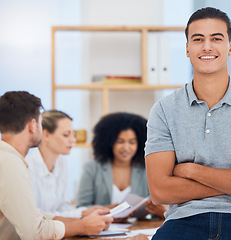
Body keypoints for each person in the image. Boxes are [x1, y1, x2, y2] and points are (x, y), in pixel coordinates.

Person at [145, 7, 231, 240]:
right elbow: (159, 192)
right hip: (183, 221)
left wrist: (190, 170)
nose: (207, 46)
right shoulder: (164, 110)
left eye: (216, 39)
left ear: (230, 47)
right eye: (198, 40)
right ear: (188, 49)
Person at [0, 91, 113, 239]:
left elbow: (34, 216)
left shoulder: (8, 158)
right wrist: (81, 226)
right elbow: (34, 231)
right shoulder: (10, 163)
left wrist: (81, 219)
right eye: (40, 122)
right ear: (33, 125)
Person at [77, 112, 166, 219]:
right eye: (120, 141)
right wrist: (105, 209)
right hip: (102, 229)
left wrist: (162, 212)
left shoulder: (146, 169)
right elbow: (81, 207)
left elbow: (155, 207)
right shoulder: (92, 168)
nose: (126, 148)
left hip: (137, 231)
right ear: (109, 142)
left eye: (132, 142)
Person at [25, 109, 107, 218]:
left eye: (73, 134)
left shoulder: (61, 162)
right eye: (66, 135)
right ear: (46, 135)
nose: (73, 140)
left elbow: (63, 207)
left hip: (55, 231)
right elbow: (34, 216)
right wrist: (81, 214)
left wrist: (88, 212)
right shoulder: (27, 167)